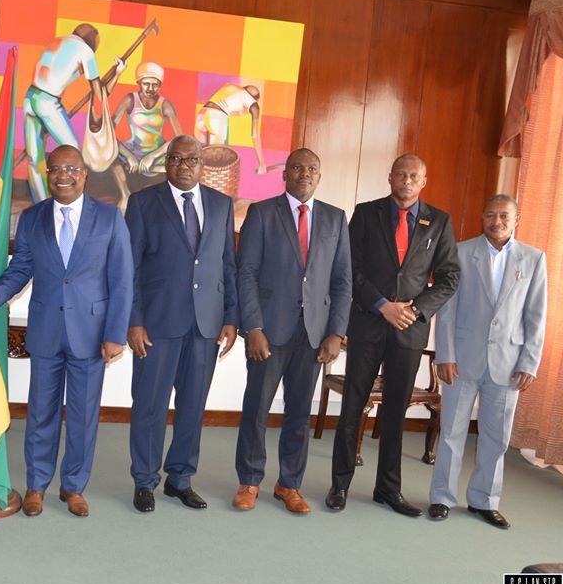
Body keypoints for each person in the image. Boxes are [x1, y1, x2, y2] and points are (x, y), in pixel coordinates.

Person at [0, 145, 133, 517]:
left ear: (84, 174)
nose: (63, 176)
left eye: (71, 169)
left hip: (91, 334)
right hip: (46, 331)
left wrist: (115, 333)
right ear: (48, 174)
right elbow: (21, 269)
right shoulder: (32, 218)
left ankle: (74, 487)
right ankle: (37, 485)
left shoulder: (110, 218)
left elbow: (122, 280)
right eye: (56, 169)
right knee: (41, 412)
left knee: (82, 415)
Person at [326, 154, 460, 517]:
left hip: (409, 331)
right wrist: (383, 305)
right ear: (390, 178)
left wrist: (413, 310)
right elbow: (349, 268)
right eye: (400, 174)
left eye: (414, 175)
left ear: (424, 181)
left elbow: (449, 278)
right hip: (369, 323)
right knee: (353, 406)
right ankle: (340, 484)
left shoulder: (439, 221)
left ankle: (388, 489)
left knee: (396, 412)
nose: (406, 180)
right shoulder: (366, 213)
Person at [233, 149, 352, 513]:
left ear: (319, 176)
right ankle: (250, 480)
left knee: (300, 410)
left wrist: (337, 333)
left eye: (312, 168)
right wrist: (252, 326)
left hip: (313, 333)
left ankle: (289, 484)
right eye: (297, 167)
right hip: (268, 330)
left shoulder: (335, 218)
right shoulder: (262, 212)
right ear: (285, 174)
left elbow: (342, 280)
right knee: (257, 407)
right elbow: (246, 273)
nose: (305, 173)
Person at [127, 134, 239, 512]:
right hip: (157, 323)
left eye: (191, 159)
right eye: (176, 159)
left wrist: (231, 318)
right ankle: (145, 480)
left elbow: (228, 266)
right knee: (150, 405)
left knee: (193, 405)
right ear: (166, 163)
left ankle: (180, 478)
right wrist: (135, 320)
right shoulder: (143, 203)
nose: (184, 165)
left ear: (201, 164)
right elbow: (132, 268)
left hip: (205, 325)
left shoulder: (222, 205)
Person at [429, 194, 546, 529]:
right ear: (483, 217)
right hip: (462, 360)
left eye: (504, 216)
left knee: (497, 436)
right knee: (451, 431)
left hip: (509, 364)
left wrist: (530, 361)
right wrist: (445, 354)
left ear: (516, 218)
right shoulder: (461, 253)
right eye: (491, 215)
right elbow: (447, 310)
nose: (497, 221)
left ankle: (484, 500)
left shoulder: (534, 259)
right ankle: (441, 497)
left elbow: (536, 316)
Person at [23, 24, 122, 203]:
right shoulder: (86, 51)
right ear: (92, 43)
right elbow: (100, 95)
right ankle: (74, 202)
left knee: (34, 159)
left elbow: (64, 73)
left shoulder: (58, 41)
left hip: (30, 98)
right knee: (74, 156)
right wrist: (117, 73)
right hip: (48, 103)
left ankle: (41, 203)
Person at [111, 61, 182, 210]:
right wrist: (129, 155)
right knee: (109, 155)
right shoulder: (129, 99)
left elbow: (179, 137)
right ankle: (125, 195)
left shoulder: (165, 104)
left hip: (157, 151)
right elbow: (109, 132)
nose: (150, 89)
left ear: (160, 85)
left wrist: (153, 156)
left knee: (175, 164)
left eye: (155, 85)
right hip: (133, 149)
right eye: (146, 84)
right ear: (139, 82)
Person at [194, 83, 267, 174]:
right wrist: (262, 163)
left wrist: (240, 113)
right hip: (216, 118)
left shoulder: (233, 88)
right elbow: (255, 135)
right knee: (219, 159)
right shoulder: (254, 106)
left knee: (202, 152)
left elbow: (224, 106)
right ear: (257, 99)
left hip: (203, 114)